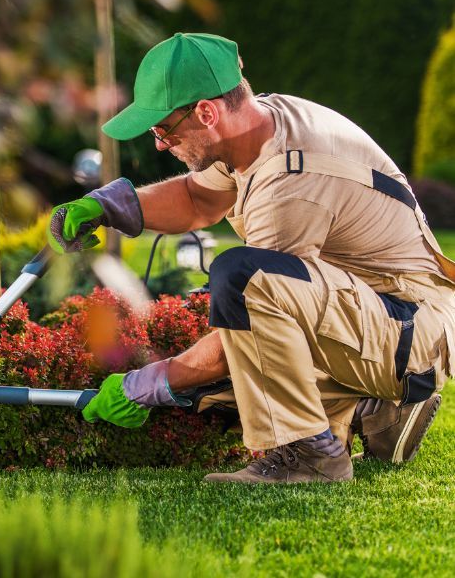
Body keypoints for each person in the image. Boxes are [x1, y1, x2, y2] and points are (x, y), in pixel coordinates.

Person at [48, 33, 455, 483]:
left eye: (163, 129)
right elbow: (198, 200)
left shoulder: (291, 182)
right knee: (229, 361)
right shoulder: (257, 125)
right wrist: (110, 207)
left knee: (239, 288)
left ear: (206, 112)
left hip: (409, 333)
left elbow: (240, 334)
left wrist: (145, 385)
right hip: (383, 315)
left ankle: (312, 455)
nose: (160, 144)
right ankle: (375, 411)